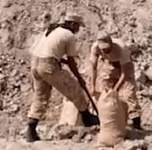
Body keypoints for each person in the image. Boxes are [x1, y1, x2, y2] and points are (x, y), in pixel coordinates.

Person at [27, 13, 99, 142]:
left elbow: (49, 52)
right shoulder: (69, 35)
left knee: (40, 97)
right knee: (74, 88)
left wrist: (61, 61)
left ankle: (31, 130)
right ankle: (87, 117)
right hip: (49, 66)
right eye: (77, 26)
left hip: (35, 64)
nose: (78, 29)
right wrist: (79, 78)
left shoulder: (52, 29)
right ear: (72, 24)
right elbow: (71, 62)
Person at [85, 32, 142, 130]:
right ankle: (110, 121)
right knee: (105, 92)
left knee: (129, 94)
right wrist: (92, 85)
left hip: (124, 66)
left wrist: (115, 90)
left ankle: (136, 122)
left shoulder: (121, 48)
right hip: (109, 64)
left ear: (111, 42)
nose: (105, 50)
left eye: (107, 48)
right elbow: (93, 68)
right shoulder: (95, 47)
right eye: (103, 49)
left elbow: (124, 74)